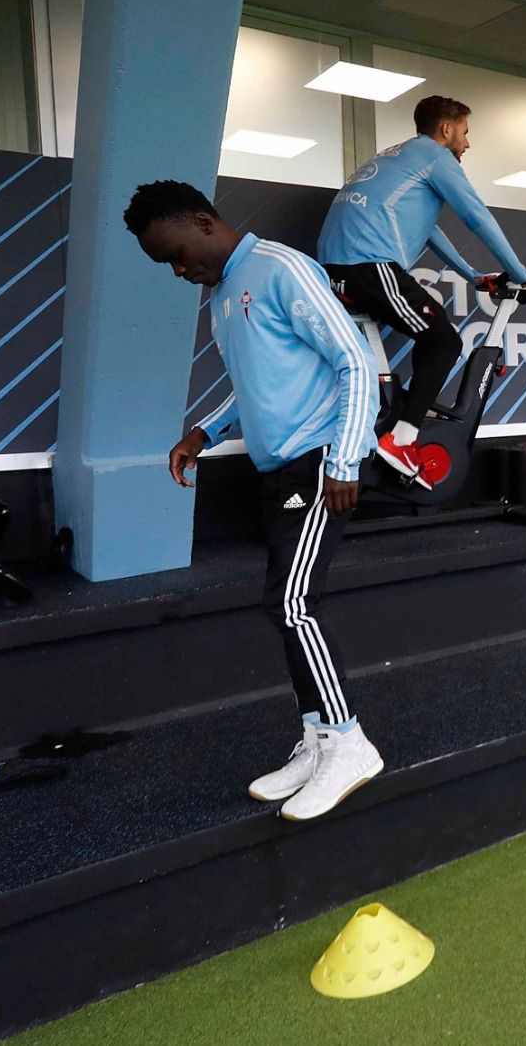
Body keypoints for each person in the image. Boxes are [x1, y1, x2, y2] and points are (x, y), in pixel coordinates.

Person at [126, 180, 383, 821]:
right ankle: (319, 740)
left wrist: (346, 456)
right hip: (280, 471)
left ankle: (350, 744)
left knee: (293, 604)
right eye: (169, 265)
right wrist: (205, 430)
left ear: (202, 220)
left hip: (321, 462)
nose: (180, 270)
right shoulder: (222, 296)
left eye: (179, 254)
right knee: (284, 607)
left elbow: (353, 358)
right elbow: (261, 384)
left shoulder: (279, 268)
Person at [318, 94, 526, 489]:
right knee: (446, 343)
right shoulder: (436, 158)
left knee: (430, 329)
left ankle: (407, 413)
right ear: (447, 129)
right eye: (465, 133)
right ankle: (401, 438)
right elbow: (476, 216)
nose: (467, 144)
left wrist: (470, 273)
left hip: (336, 270)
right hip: (367, 266)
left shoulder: (395, 157)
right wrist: (519, 272)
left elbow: (428, 228)